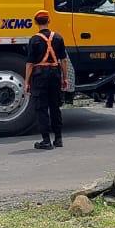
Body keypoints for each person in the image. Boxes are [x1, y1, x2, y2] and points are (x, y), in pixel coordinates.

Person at [24, 9, 68, 150]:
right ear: (49, 21)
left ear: (36, 22)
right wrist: (65, 78)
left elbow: (30, 64)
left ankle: (46, 141)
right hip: (55, 73)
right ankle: (59, 139)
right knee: (55, 106)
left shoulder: (34, 40)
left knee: (41, 108)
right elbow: (64, 60)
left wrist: (26, 82)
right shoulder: (58, 38)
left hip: (40, 75)